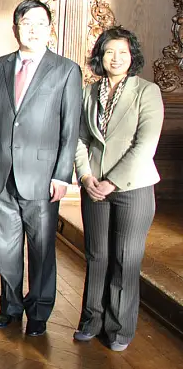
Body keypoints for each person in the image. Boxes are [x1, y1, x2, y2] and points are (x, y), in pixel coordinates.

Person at [0, 0, 82, 337]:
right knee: (6, 246)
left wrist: (62, 174)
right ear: (15, 28)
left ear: (49, 29)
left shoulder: (66, 70)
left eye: (39, 23)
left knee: (42, 249)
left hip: (43, 177)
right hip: (1, 173)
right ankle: (10, 306)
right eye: (26, 23)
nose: (33, 30)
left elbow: (70, 129)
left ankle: (39, 311)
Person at [73, 27, 164, 352]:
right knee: (97, 256)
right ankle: (91, 321)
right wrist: (86, 177)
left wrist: (112, 181)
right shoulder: (88, 92)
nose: (116, 58)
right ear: (100, 56)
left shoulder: (147, 91)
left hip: (133, 187)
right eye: (110, 51)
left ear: (132, 56)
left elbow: (145, 145)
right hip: (94, 187)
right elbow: (80, 139)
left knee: (126, 259)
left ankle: (119, 329)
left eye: (123, 52)